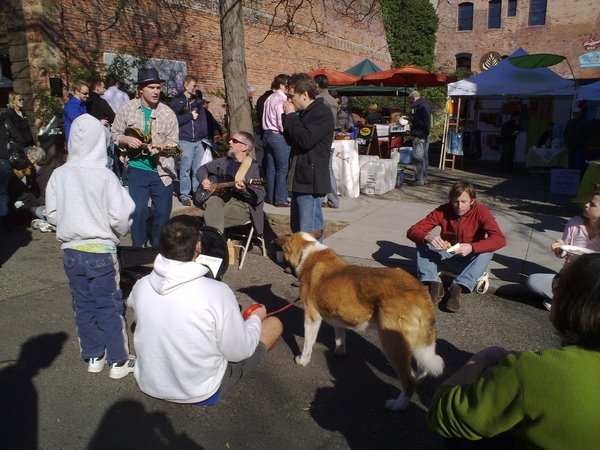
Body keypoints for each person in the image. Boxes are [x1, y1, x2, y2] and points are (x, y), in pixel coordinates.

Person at [428, 253, 600, 450]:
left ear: (573, 303)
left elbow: (441, 415)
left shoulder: (530, 371)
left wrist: (482, 359)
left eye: (558, 282)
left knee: (463, 434)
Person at [127, 214, 283, 404]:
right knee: (274, 324)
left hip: (148, 383)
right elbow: (238, 352)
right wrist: (256, 320)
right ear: (198, 247)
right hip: (200, 391)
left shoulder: (141, 285)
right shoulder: (217, 292)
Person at [45, 114, 136, 379]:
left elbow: (51, 213)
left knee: (83, 305)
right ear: (100, 142)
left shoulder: (59, 175)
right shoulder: (105, 176)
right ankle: (118, 361)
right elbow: (120, 216)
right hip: (101, 252)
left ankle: (94, 356)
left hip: (71, 251)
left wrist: (68, 223)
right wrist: (116, 232)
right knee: (109, 305)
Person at [406, 182, 506, 312]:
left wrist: (471, 247)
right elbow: (413, 230)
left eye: (464, 201)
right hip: (447, 254)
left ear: (472, 201)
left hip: (469, 261)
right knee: (421, 239)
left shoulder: (481, 211)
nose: (459, 206)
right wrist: (428, 237)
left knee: (489, 248)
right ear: (450, 200)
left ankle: (457, 287)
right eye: (455, 201)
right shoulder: (443, 210)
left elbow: (500, 239)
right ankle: (434, 283)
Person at [111, 67, 179, 248]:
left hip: (162, 172)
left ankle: (158, 250)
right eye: (152, 88)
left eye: (158, 87)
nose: (156, 91)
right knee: (138, 211)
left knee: (162, 214)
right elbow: (114, 133)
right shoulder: (127, 109)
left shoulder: (168, 113)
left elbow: (177, 148)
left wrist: (164, 147)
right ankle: (138, 249)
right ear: (141, 89)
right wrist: (126, 139)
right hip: (136, 169)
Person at [526, 183, 600, 311]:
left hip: (594, 282)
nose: (586, 205)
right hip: (569, 277)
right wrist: (560, 248)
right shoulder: (574, 223)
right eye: (588, 201)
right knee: (533, 281)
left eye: (593, 204)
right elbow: (565, 250)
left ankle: (564, 301)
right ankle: (575, 304)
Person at [282, 73, 335, 241]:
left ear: (304, 94)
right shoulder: (304, 113)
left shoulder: (321, 112)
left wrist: (291, 116)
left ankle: (313, 265)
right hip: (299, 176)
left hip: (311, 179)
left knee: (309, 229)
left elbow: (305, 140)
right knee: (297, 228)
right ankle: (300, 262)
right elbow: (292, 139)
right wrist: (288, 117)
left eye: (292, 96)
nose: (289, 100)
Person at [196, 131, 265, 234]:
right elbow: (203, 169)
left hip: (243, 206)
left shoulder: (254, 168)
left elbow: (259, 196)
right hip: (224, 199)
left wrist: (244, 190)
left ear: (244, 147)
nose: (230, 142)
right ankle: (214, 240)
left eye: (234, 141)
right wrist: (204, 179)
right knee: (213, 201)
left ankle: (213, 242)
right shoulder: (225, 161)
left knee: (212, 217)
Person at [262, 74, 291, 207]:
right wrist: (288, 132)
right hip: (277, 135)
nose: (290, 88)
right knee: (282, 168)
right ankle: (280, 198)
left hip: (267, 134)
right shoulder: (281, 100)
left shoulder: (269, 98)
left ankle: (271, 196)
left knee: (271, 168)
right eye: (288, 85)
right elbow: (281, 121)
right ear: (282, 85)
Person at [314, 74, 339, 210]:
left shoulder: (319, 100)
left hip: (322, 140)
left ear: (317, 85)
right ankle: (331, 199)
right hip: (330, 139)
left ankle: (331, 199)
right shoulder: (332, 100)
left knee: (325, 171)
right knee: (328, 170)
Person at [26, 146, 56, 232]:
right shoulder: (32, 173)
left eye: (27, 158)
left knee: (33, 209)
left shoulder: (49, 172)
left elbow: (47, 195)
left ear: (33, 160)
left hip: (48, 204)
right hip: (41, 202)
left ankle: (50, 223)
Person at [408, 91, 431, 186]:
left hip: (420, 134)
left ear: (413, 98)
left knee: (417, 157)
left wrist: (412, 121)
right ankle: (423, 178)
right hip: (425, 134)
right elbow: (425, 120)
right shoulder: (424, 105)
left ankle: (419, 179)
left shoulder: (421, 106)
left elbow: (424, 121)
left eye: (411, 100)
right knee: (424, 157)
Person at [563, 111, 591, 175]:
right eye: (574, 113)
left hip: (577, 147)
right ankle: (574, 178)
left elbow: (588, 135)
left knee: (577, 164)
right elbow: (565, 134)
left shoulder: (584, 123)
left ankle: (577, 178)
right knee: (573, 163)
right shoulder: (570, 123)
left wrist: (571, 143)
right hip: (574, 147)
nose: (575, 115)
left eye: (576, 113)